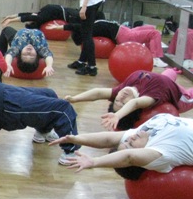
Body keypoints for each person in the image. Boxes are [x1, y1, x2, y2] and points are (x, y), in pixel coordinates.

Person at [51, 113, 193, 179]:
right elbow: (129, 157)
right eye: (130, 144)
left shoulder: (140, 135)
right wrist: (94, 162)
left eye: (126, 142)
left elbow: (108, 139)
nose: (129, 138)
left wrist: (76, 139)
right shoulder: (161, 154)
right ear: (141, 158)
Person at [65, 69, 193, 131]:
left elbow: (98, 93)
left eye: (116, 101)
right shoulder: (147, 98)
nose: (120, 97)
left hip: (163, 79)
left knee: (170, 72)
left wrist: (75, 99)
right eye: (123, 103)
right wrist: (117, 116)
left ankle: (173, 71)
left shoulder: (122, 89)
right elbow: (135, 103)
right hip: (180, 96)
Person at [48, 19, 168, 68]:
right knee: (155, 33)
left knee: (151, 28)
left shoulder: (91, 26)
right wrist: (60, 28)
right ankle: (155, 57)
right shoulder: (88, 29)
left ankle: (149, 54)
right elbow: (76, 27)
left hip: (127, 30)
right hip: (126, 36)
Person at [1, 4, 81, 29]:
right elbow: (28, 15)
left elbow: (27, 16)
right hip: (63, 12)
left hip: (62, 11)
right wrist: (10, 17)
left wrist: (10, 19)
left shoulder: (40, 18)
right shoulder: (41, 18)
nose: (29, 20)